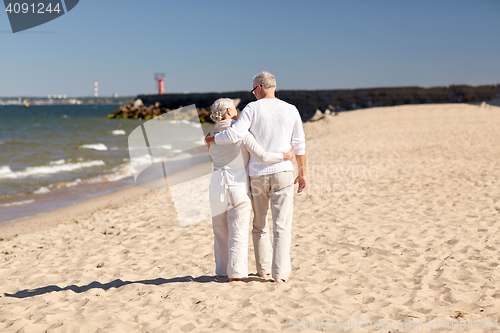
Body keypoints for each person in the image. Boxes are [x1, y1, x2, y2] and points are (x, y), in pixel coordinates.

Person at [205, 72, 306, 283]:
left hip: (242, 178)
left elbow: (228, 142)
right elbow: (297, 144)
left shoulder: (245, 112)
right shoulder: (290, 110)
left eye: (253, 90)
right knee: (279, 225)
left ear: (259, 87)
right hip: (274, 174)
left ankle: (253, 270)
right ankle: (271, 275)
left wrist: (212, 138)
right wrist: (300, 170)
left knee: (253, 226)